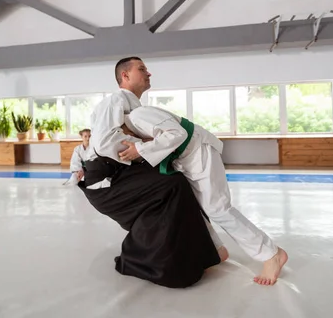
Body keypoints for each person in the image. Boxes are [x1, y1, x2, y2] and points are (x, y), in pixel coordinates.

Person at [78, 57, 222, 288]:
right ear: (124, 76)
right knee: (173, 185)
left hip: (124, 171)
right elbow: (105, 142)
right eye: (142, 69)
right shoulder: (115, 100)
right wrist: (143, 142)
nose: (149, 73)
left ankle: (207, 252)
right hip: (106, 177)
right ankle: (161, 263)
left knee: (177, 181)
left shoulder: (137, 108)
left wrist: (145, 144)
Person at [122, 105, 288, 286]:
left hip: (198, 152)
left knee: (218, 209)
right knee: (189, 204)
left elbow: (177, 134)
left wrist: (140, 150)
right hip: (185, 160)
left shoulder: (138, 116)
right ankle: (216, 250)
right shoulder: (135, 127)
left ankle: (272, 254)